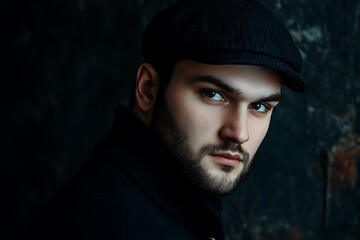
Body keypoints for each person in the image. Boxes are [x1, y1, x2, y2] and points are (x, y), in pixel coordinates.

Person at [29, 0, 305, 239]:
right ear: (149, 88)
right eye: (213, 94)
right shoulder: (106, 222)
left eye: (259, 105)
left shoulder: (175, 200)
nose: (239, 132)